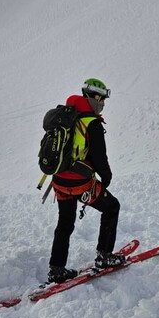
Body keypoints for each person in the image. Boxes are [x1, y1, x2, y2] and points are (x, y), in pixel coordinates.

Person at [47, 78, 125, 283]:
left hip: (59, 182)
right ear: (95, 97)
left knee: (65, 222)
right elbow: (100, 157)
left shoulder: (65, 116)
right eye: (102, 99)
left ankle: (56, 268)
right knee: (112, 207)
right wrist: (106, 177)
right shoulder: (92, 123)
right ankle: (105, 256)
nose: (103, 104)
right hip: (80, 184)